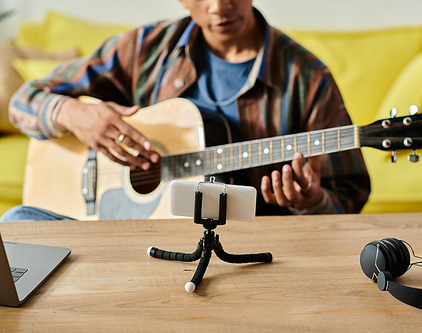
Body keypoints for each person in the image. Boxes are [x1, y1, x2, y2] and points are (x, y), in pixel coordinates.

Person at [1, 0, 370, 222]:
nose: (219, 5)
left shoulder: (307, 78)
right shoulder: (146, 48)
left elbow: (351, 194)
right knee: (17, 221)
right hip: (123, 232)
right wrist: (73, 114)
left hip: (238, 249)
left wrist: (313, 202)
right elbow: (24, 100)